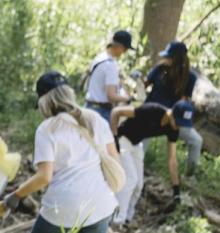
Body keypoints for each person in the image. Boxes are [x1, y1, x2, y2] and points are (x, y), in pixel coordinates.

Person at [0, 72, 119, 233]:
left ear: (45, 101)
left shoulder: (48, 128)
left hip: (63, 205)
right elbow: (114, 157)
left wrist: (16, 195)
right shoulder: (95, 119)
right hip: (98, 202)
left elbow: (45, 176)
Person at [110, 101, 183, 222]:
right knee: (130, 179)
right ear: (171, 114)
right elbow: (116, 112)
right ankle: (117, 219)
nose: (178, 126)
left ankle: (128, 217)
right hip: (123, 140)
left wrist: (176, 191)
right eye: (178, 122)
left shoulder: (174, 129)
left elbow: (172, 160)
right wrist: (114, 137)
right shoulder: (152, 110)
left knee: (139, 185)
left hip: (137, 145)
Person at [146, 41, 202, 174]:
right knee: (140, 142)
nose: (165, 59)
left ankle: (191, 175)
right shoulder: (159, 69)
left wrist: (173, 119)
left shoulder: (190, 77)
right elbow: (144, 85)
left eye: (169, 57)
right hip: (150, 114)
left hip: (172, 118)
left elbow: (182, 103)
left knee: (196, 141)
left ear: (177, 59)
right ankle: (136, 166)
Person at [84, 30, 133, 122]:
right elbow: (111, 96)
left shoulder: (99, 58)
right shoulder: (110, 65)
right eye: (125, 49)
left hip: (89, 108)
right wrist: (128, 99)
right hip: (101, 112)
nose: (124, 52)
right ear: (119, 46)